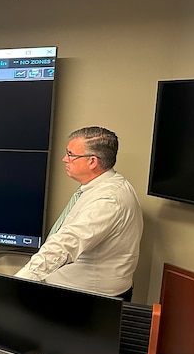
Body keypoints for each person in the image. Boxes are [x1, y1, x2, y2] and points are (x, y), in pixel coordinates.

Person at [14, 126, 142, 300]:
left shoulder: (108, 201)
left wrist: (17, 283)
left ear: (92, 161)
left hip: (89, 302)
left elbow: (66, 244)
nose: (64, 159)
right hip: (76, 292)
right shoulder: (103, 186)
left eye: (71, 155)